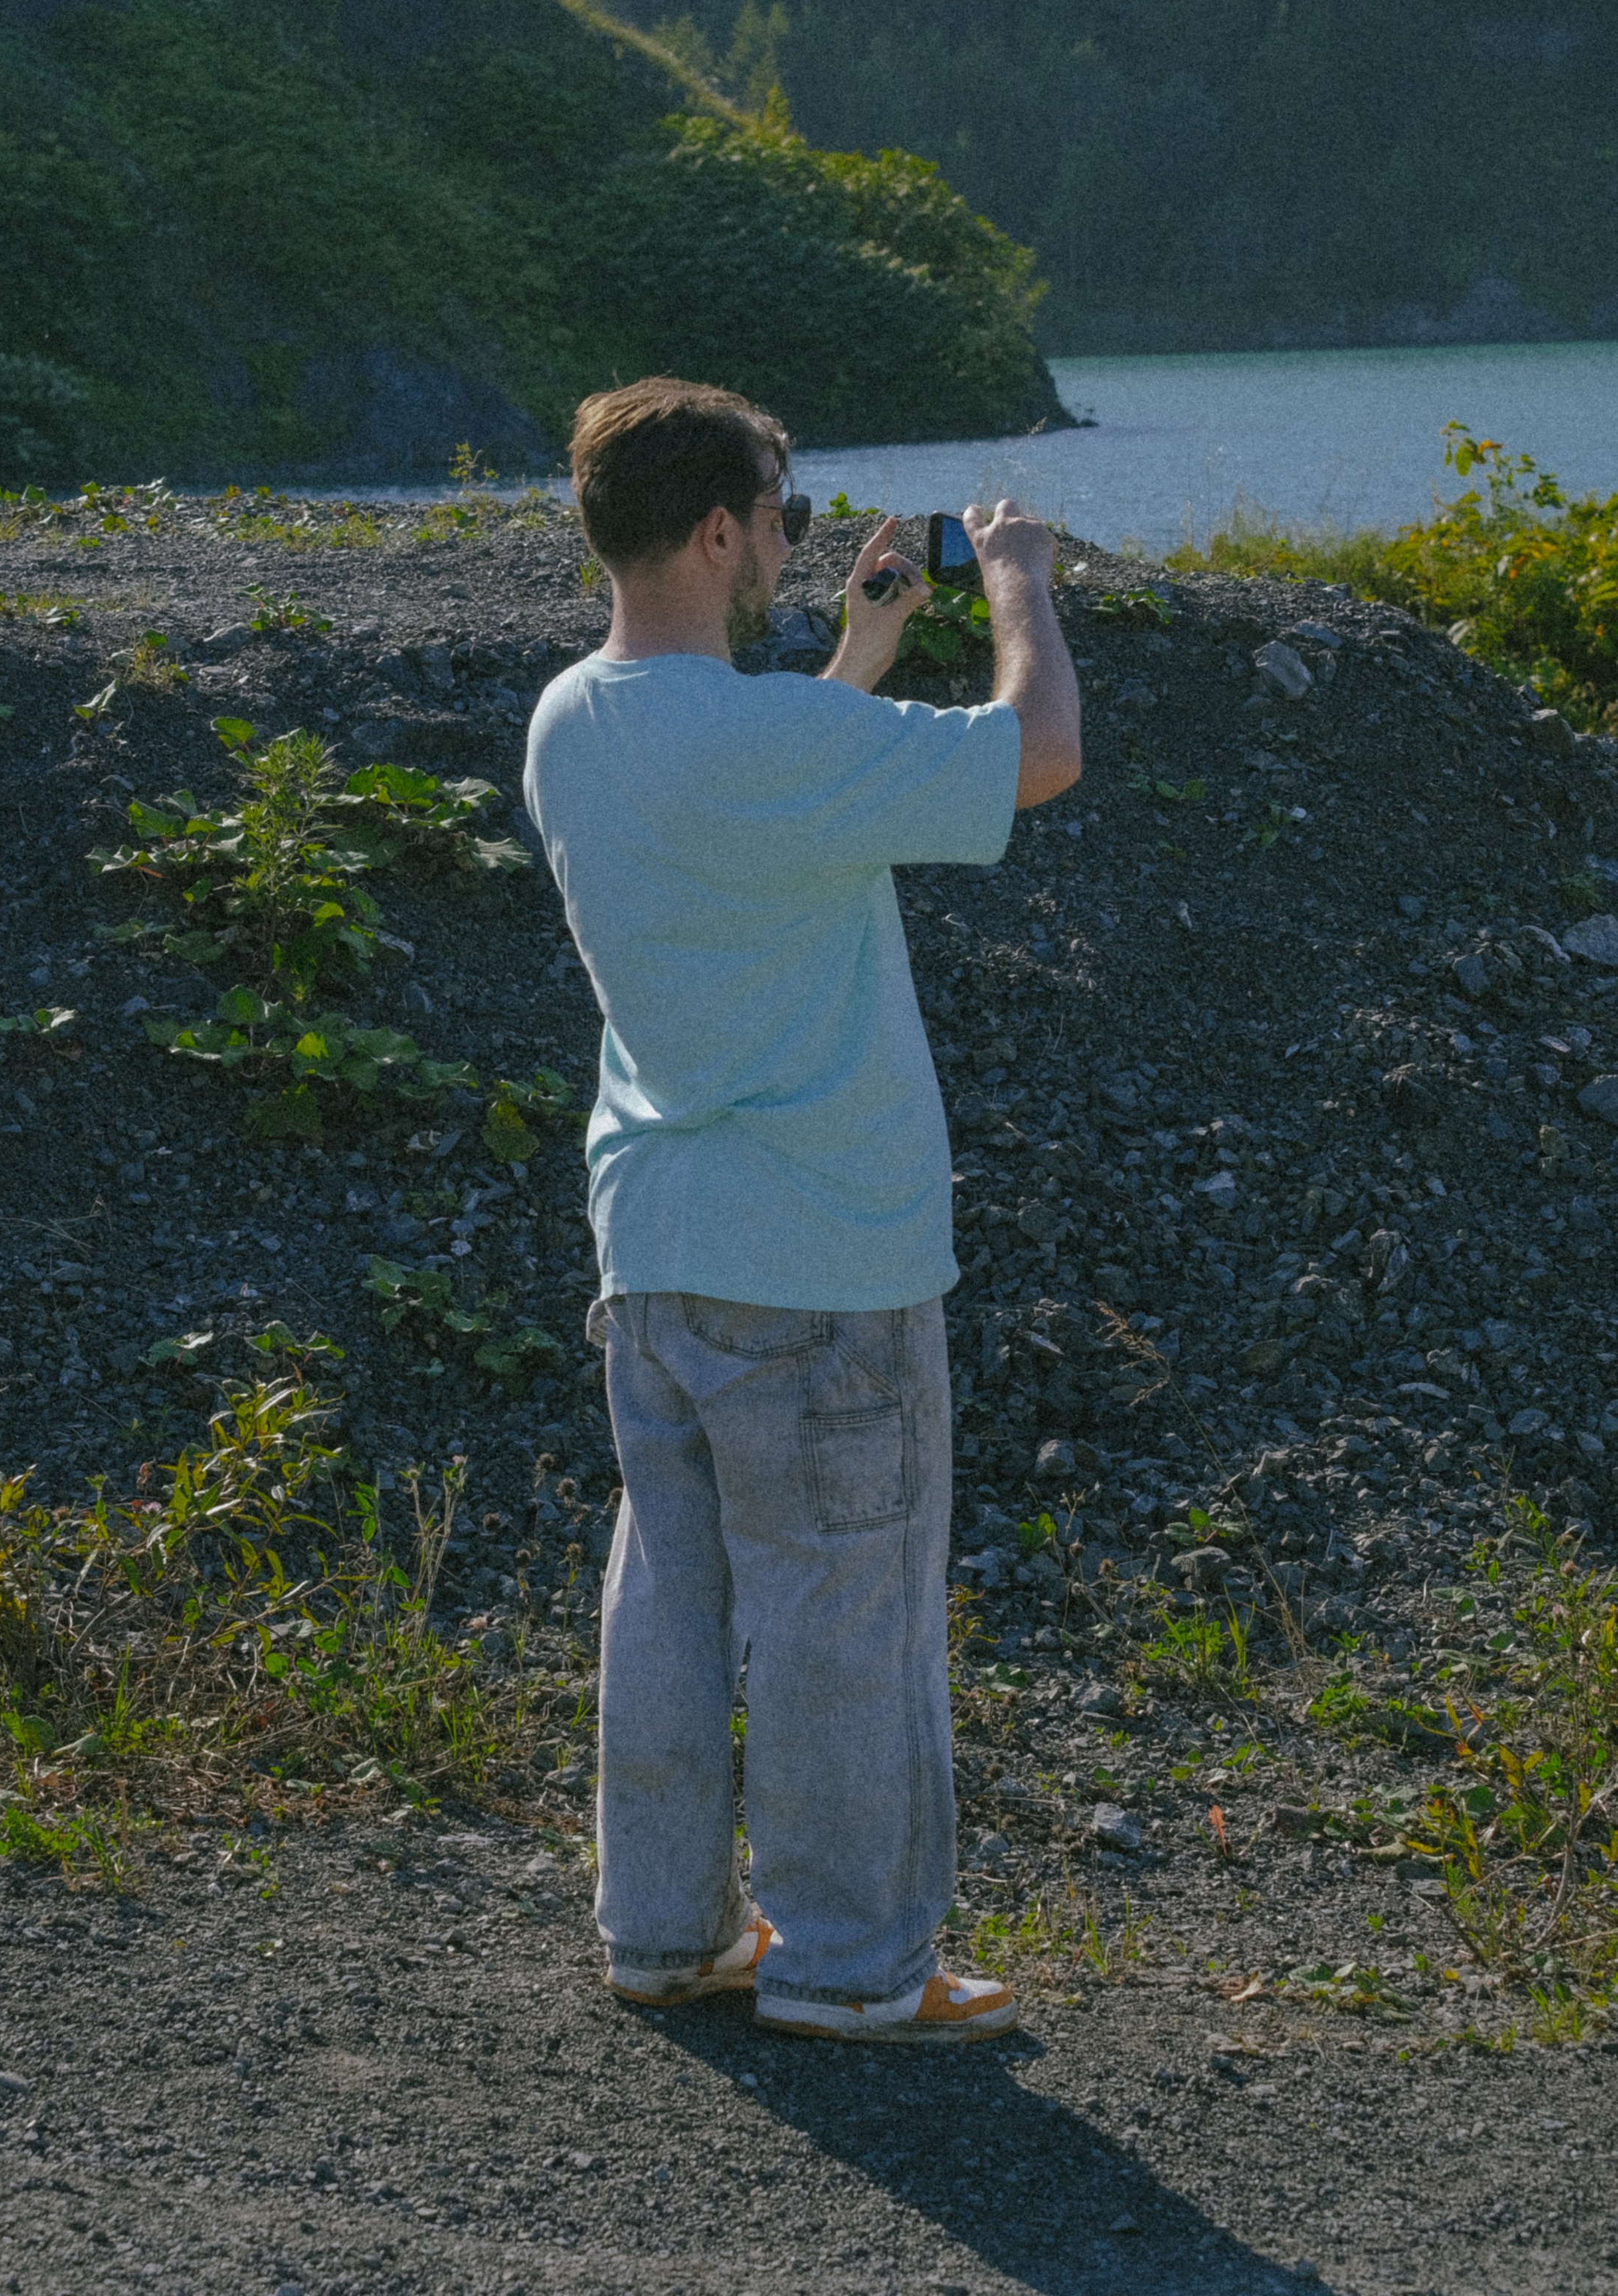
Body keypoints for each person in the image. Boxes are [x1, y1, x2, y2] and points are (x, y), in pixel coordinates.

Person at [522, 377, 1081, 2047]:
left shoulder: (570, 720)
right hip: (822, 1244)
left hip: (659, 1234)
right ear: (713, 533)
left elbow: (755, 801)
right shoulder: (769, 746)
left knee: (672, 1600)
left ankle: (668, 1930)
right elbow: (1036, 753)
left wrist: (854, 655)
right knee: (848, 1613)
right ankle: (854, 1965)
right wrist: (1017, 591)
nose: (785, 538)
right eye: (772, 515)